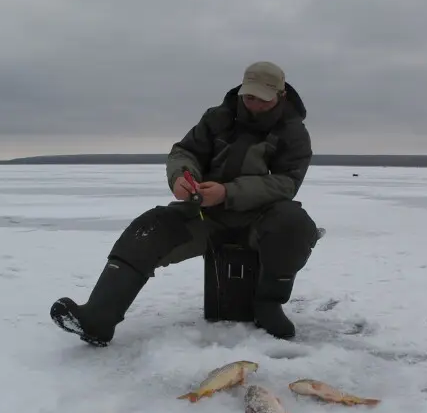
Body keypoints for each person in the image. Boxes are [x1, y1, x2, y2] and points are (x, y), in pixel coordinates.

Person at [49, 60, 320, 347]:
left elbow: (286, 183)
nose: (253, 104)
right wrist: (182, 176)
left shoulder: (294, 133)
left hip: (262, 219)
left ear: (281, 96)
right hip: (207, 216)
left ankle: (267, 306)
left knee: (294, 224)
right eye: (248, 96)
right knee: (149, 228)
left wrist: (228, 192)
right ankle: (98, 318)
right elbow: (185, 152)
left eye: (262, 100)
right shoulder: (218, 118)